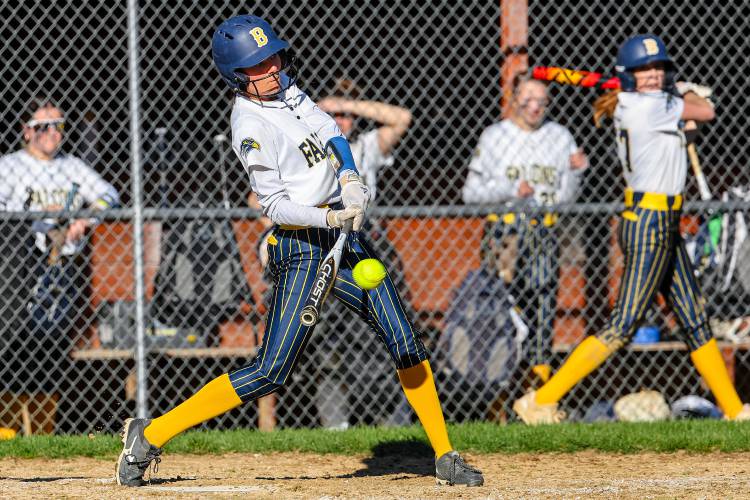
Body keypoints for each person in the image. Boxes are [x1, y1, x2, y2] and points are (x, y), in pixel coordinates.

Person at [115, 15, 483, 487]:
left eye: (272, 58)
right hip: (303, 241)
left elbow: (329, 129)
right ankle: (151, 434)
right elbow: (273, 204)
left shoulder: (287, 90)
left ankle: (445, 454)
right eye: (258, 65)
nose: (272, 68)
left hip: (344, 234)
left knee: (405, 340)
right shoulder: (248, 124)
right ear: (236, 75)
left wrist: (349, 177)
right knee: (271, 371)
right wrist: (328, 218)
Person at [513, 34, 750, 424]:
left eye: (658, 69)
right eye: (644, 70)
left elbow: (683, 130)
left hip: (665, 221)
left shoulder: (643, 104)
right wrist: (686, 91)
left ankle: (734, 410)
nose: (654, 75)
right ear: (628, 75)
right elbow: (705, 111)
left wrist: (681, 105)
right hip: (649, 223)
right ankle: (542, 399)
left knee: (693, 319)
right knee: (623, 324)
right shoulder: (647, 106)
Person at [0, 97, 119, 427]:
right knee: (13, 345)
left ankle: (40, 432)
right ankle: (8, 430)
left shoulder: (72, 166)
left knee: (51, 348)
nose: (53, 133)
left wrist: (84, 218)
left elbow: (108, 195)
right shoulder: (9, 166)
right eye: (43, 127)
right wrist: (36, 216)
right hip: (19, 268)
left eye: (59, 125)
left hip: (61, 267)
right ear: (26, 131)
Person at [462, 76, 588, 386]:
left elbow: (565, 199)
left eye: (541, 100)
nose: (534, 106)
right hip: (504, 233)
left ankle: (537, 391)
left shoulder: (559, 136)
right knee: (501, 312)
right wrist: (510, 190)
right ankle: (497, 391)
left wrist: (574, 174)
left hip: (543, 231)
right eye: (528, 99)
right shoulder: (494, 136)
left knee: (543, 311)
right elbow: (470, 193)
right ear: (513, 99)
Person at [311, 79, 415, 429]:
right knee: (329, 343)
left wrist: (347, 105)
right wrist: (323, 116)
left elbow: (402, 118)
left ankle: (389, 423)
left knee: (382, 333)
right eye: (332, 115)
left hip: (363, 246)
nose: (341, 120)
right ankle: (335, 427)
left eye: (346, 115)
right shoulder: (310, 152)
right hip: (323, 243)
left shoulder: (366, 146)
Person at [436, 214, 529, 421]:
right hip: (473, 367)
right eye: (501, 247)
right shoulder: (481, 285)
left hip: (495, 362)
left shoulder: (518, 286)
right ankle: (498, 413)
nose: (504, 255)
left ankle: (511, 412)